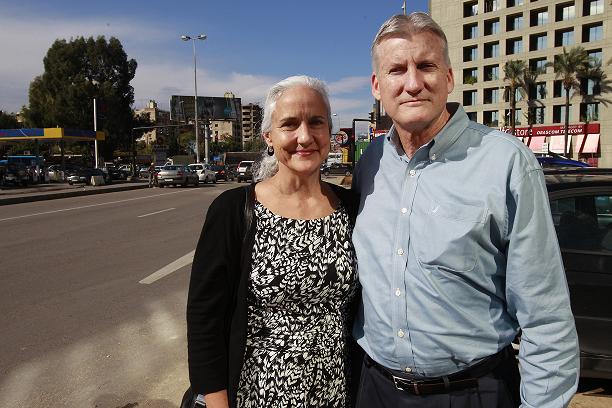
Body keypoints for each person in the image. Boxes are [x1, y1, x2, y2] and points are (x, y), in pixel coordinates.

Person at [351, 12, 579, 408]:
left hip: (472, 392)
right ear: (377, 86)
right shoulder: (370, 163)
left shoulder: (507, 163)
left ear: (450, 78)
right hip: (375, 389)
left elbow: (546, 315)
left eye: (426, 66)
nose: (412, 83)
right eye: (396, 70)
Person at [187, 75, 359, 408]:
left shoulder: (351, 207)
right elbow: (204, 317)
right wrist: (216, 401)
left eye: (316, 122)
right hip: (257, 395)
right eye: (289, 124)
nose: (304, 136)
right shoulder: (234, 210)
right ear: (269, 137)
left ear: (329, 133)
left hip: (335, 394)